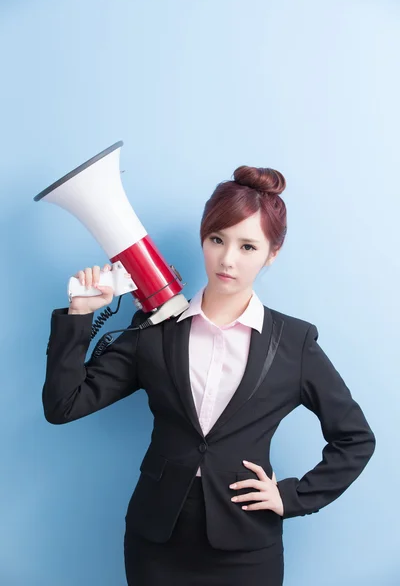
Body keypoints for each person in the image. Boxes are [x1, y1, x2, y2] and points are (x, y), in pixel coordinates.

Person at [42, 165, 376, 585]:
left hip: (247, 547)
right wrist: (79, 316)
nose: (228, 259)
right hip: (156, 543)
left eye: (248, 247)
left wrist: (292, 496)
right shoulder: (155, 330)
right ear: (204, 238)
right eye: (217, 239)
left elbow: (356, 438)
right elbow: (63, 404)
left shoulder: (294, 342)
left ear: (272, 253)